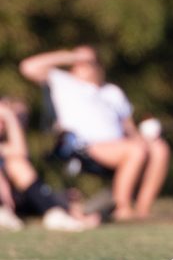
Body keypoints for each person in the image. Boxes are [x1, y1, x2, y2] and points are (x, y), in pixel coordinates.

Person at [19, 46, 171, 221]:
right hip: (83, 145)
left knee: (159, 148)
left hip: (120, 143)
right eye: (80, 62)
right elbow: (28, 66)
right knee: (135, 151)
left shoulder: (112, 91)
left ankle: (143, 210)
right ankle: (123, 208)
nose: (84, 65)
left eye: (90, 62)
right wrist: (68, 56)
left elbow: (128, 127)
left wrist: (145, 139)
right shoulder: (64, 81)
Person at [0, 97, 99, 231]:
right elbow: (20, 151)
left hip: (14, 200)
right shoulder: (12, 152)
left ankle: (57, 213)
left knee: (58, 197)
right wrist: (9, 116)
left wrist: (59, 196)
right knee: (17, 164)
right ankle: (53, 212)